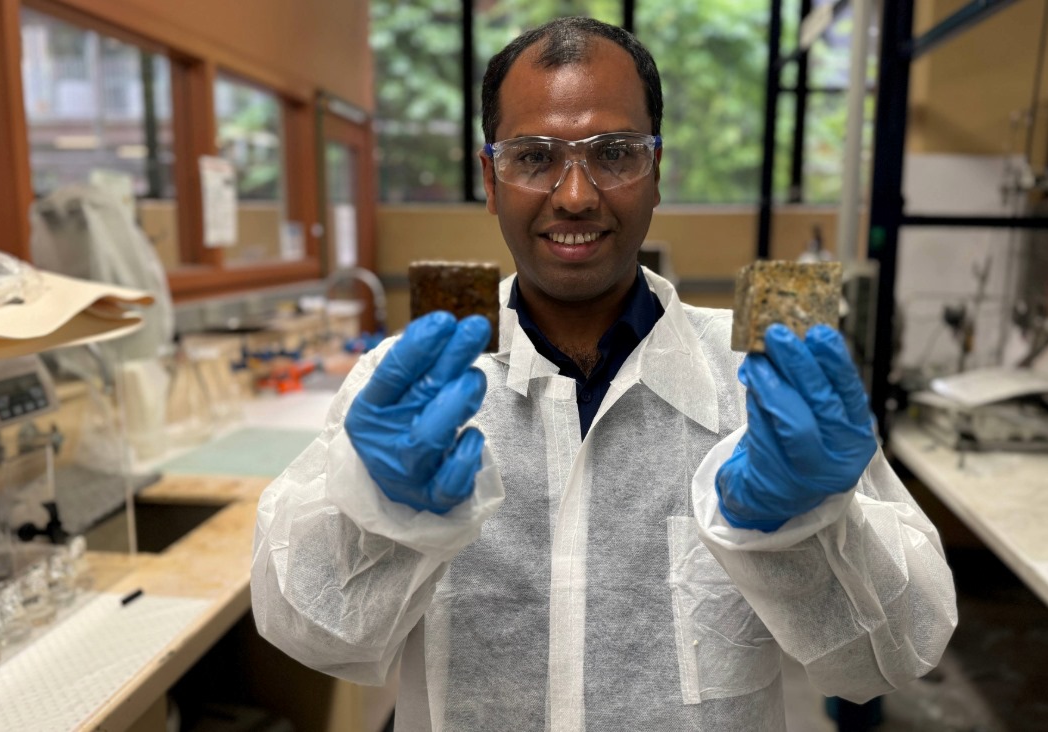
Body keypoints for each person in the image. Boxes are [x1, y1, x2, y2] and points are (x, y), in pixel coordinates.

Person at [251, 17, 956, 731]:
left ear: (658, 172)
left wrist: (810, 524)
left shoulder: (766, 388)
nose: (577, 195)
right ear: (489, 177)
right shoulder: (409, 390)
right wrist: (378, 513)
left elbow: (895, 657)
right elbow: (308, 633)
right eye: (534, 157)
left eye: (615, 153)